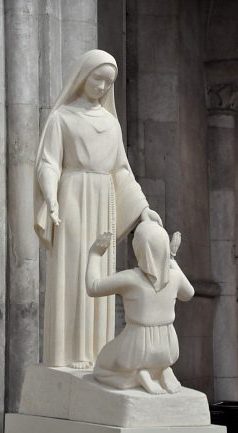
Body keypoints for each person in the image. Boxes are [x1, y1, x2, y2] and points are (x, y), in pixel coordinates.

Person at [34, 49, 162, 368]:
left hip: (103, 200)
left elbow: (121, 170)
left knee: (101, 271)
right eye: (98, 79)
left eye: (109, 82)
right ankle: (67, 354)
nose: (103, 87)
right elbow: (48, 163)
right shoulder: (62, 117)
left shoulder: (111, 124)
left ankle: (96, 353)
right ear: (83, 77)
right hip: (73, 196)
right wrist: (51, 199)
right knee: (74, 268)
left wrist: (143, 210)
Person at [86, 222, 194, 394]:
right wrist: (171, 259)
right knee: (151, 359)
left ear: (140, 249)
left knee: (100, 367)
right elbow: (189, 294)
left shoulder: (131, 278)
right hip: (168, 348)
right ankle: (160, 371)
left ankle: (136, 377)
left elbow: (93, 287)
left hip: (137, 348)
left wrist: (95, 254)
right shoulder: (175, 278)